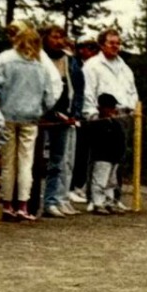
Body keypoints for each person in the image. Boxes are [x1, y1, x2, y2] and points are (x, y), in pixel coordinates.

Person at [0, 22, 61, 221]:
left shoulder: (5, 59)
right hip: (31, 118)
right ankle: (23, 205)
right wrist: (39, 110)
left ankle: (7, 204)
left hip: (7, 115)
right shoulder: (40, 66)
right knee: (26, 162)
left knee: (9, 163)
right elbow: (50, 98)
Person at [82, 27, 138, 212]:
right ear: (101, 44)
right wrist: (91, 112)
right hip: (100, 115)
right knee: (99, 157)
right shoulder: (92, 65)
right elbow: (88, 90)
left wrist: (130, 106)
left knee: (117, 157)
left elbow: (132, 90)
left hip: (122, 115)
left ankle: (112, 196)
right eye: (111, 43)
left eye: (118, 43)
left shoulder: (124, 67)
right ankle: (94, 198)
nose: (115, 46)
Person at [37, 24, 85, 217]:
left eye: (61, 37)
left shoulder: (71, 61)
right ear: (45, 38)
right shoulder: (38, 58)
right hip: (42, 115)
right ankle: (29, 202)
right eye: (54, 37)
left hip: (64, 115)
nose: (58, 41)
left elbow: (79, 88)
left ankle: (53, 200)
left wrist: (75, 113)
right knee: (37, 160)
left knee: (59, 160)